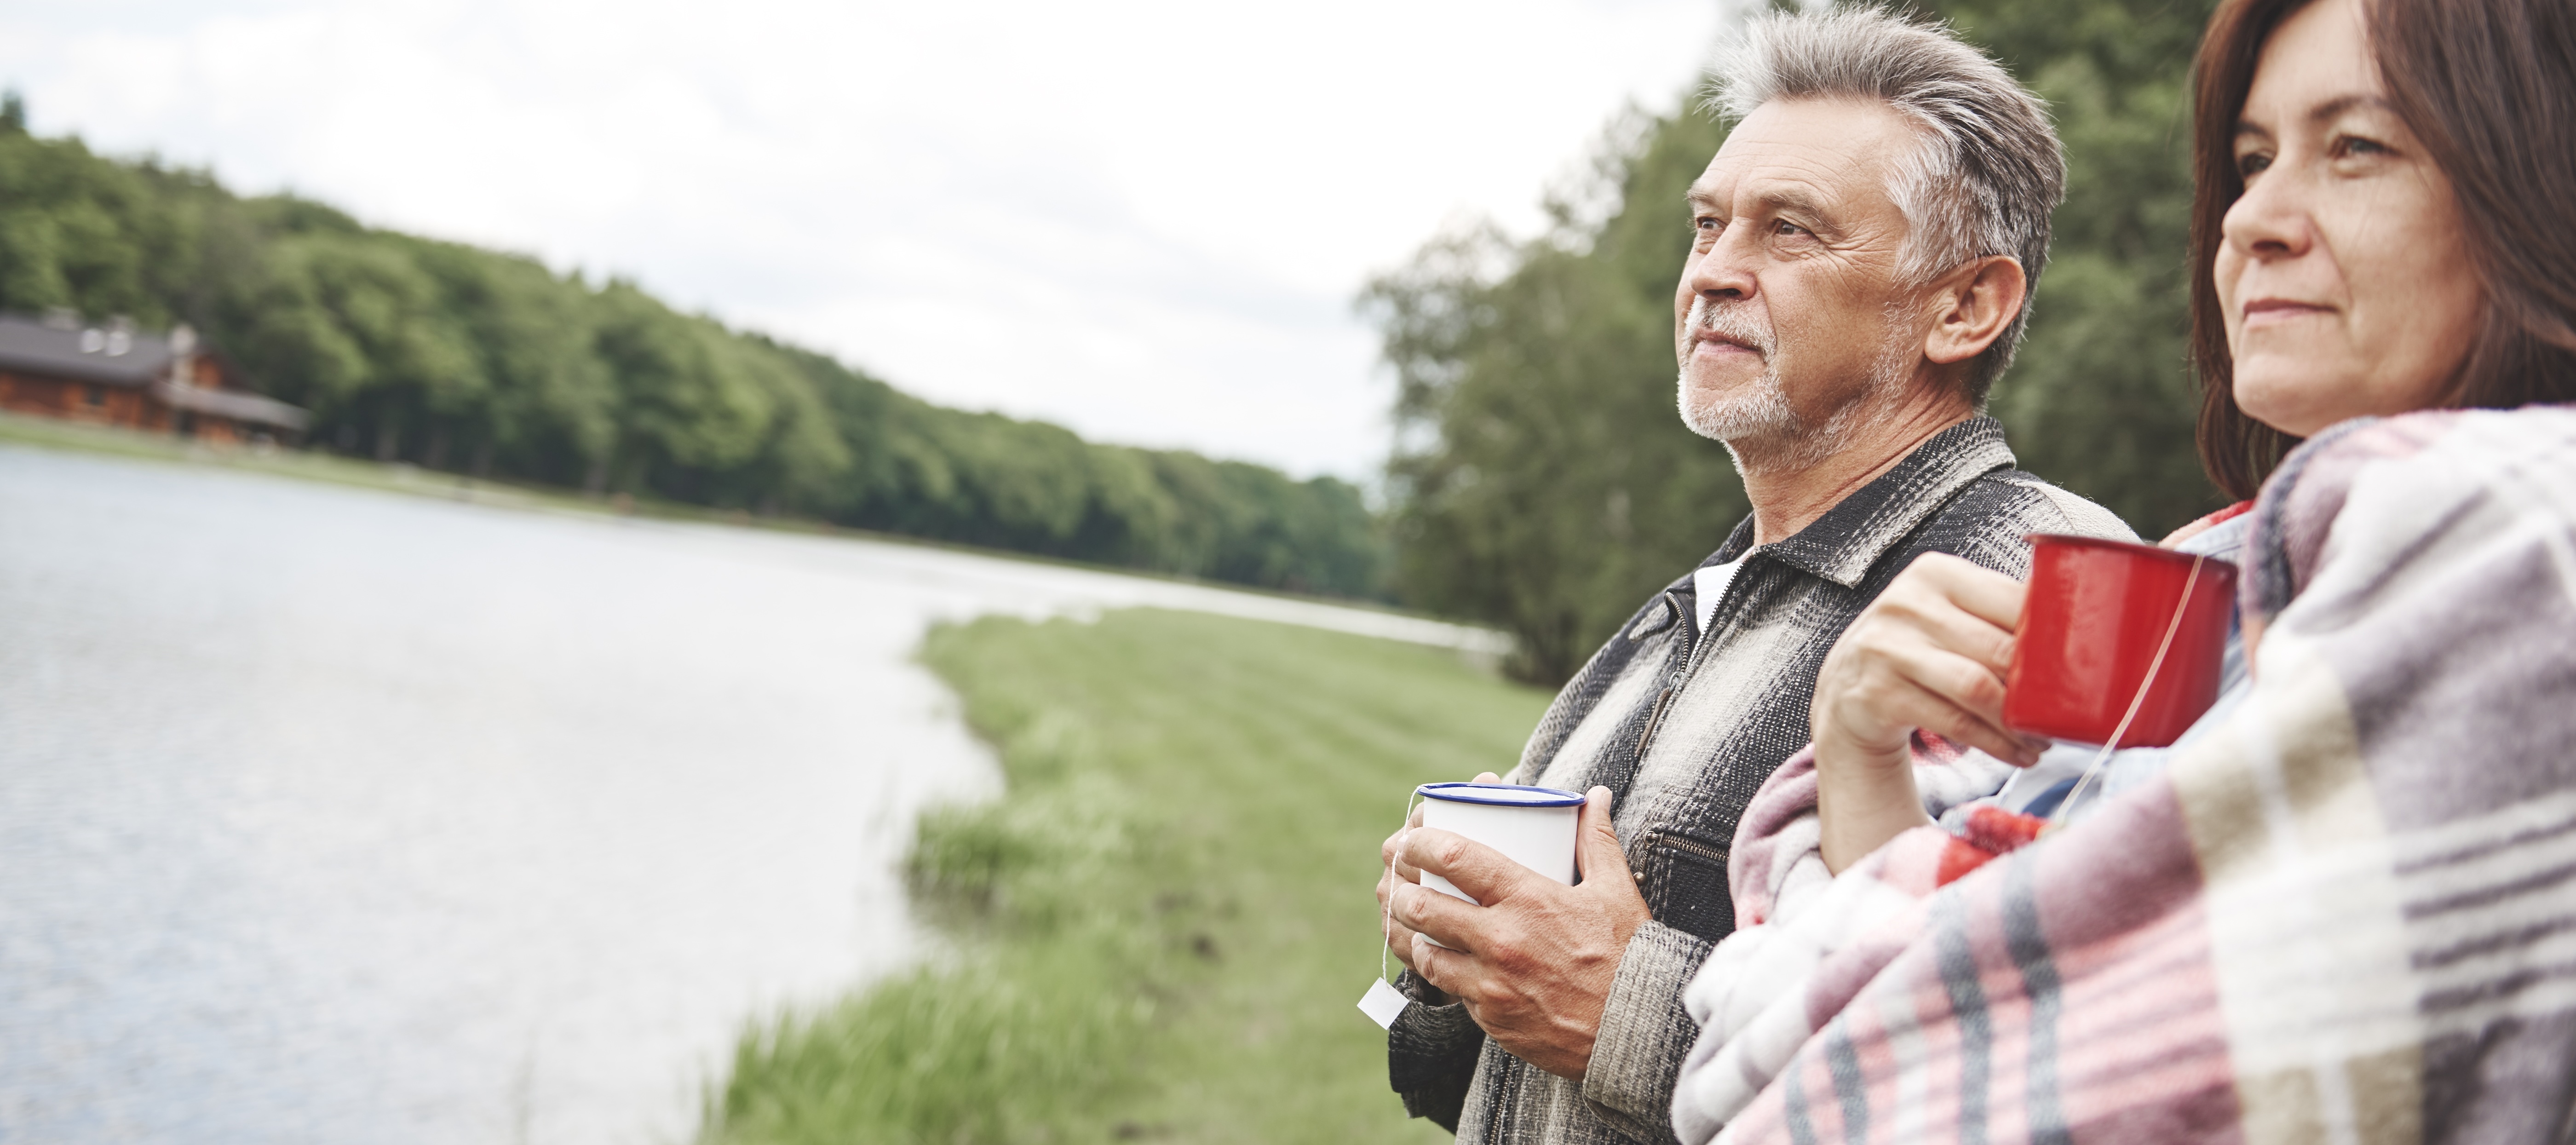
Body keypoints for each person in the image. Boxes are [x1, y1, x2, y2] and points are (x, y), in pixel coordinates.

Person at [1670, 0, 2576, 1138]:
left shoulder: (2515, 539)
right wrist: (1860, 756)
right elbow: (1966, 1006)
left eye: (2356, 148)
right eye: (2250, 161)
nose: (2253, 221)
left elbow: (1925, 1087)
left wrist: (1734, 985)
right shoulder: (2225, 567)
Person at [1373, 9, 2134, 1141]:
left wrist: (1626, 1011)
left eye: (1789, 232)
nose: (1713, 275)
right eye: (1706, 226)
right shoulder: (1683, 611)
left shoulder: (2060, 590)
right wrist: (1443, 960)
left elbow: (2057, 1077)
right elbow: (1457, 1084)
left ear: (1964, 307)